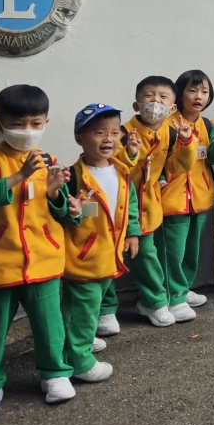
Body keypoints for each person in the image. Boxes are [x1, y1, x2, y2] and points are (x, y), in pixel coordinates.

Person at [0, 84, 80, 421]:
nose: (27, 130)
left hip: (43, 260)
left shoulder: (50, 161)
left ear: (46, 122)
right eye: (18, 124)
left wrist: (59, 197)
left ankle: (54, 373)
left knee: (49, 325)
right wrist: (20, 175)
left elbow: (62, 213)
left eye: (35, 123)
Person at [61, 103, 141, 385]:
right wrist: (71, 212)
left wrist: (132, 232)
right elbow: (60, 216)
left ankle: (78, 341)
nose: (109, 139)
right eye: (99, 132)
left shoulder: (120, 170)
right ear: (79, 138)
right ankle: (79, 360)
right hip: (83, 259)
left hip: (110, 253)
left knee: (90, 307)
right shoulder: (72, 178)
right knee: (81, 308)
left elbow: (130, 203)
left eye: (115, 132)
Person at [118, 76, 195, 331]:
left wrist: (185, 143)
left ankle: (153, 302)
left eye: (163, 97)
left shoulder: (170, 133)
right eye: (149, 96)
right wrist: (129, 153)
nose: (155, 102)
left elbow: (179, 167)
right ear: (136, 104)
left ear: (172, 107)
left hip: (149, 205)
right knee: (111, 255)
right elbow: (111, 168)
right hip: (119, 204)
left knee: (147, 254)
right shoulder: (122, 133)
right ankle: (105, 310)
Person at [158, 70, 214, 321]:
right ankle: (173, 297)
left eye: (204, 91)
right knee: (173, 252)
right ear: (179, 94)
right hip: (172, 197)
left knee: (192, 249)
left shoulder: (207, 124)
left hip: (200, 196)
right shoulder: (166, 124)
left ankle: (182, 288)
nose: (199, 96)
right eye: (192, 90)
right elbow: (157, 159)